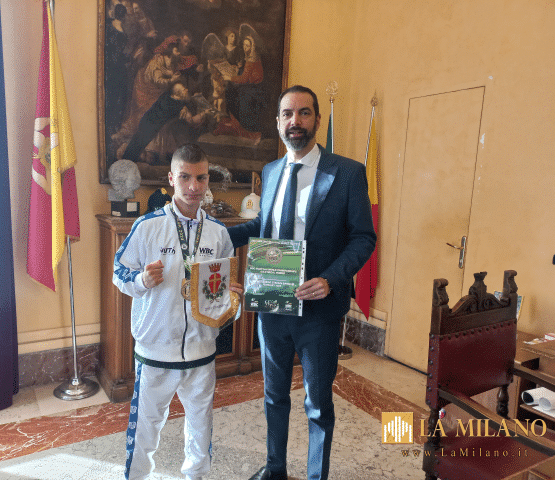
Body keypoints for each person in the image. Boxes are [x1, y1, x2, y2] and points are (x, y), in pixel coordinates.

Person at [227, 85, 376, 480]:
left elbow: (364, 238)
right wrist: (216, 235)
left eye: (304, 113)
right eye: (287, 114)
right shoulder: (271, 171)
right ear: (278, 123)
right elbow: (264, 226)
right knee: (274, 395)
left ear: (317, 120)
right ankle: (275, 469)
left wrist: (330, 279)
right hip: (272, 303)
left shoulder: (347, 173)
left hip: (319, 311)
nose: (295, 121)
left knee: (317, 404)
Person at [113, 143, 243, 480]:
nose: (193, 186)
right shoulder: (147, 226)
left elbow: (222, 292)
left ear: (208, 180)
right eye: (185, 177)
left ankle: (195, 476)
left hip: (202, 351)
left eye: (201, 178)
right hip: (155, 351)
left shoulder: (218, 233)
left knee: (201, 426)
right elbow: (118, 271)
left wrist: (233, 302)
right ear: (171, 178)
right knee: (145, 427)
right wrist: (141, 280)